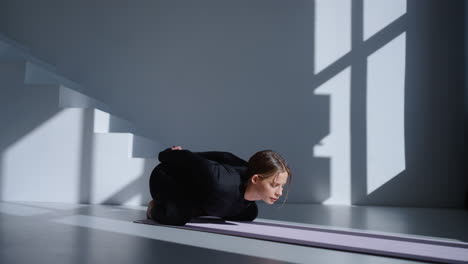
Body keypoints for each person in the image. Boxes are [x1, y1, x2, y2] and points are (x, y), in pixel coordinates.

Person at [146, 146, 291, 226]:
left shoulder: (245, 172)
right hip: (167, 178)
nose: (279, 192)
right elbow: (192, 160)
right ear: (255, 179)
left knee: (249, 214)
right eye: (274, 185)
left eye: (282, 186)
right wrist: (169, 153)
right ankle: (154, 208)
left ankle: (201, 206)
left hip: (206, 192)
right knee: (177, 217)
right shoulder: (220, 182)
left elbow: (224, 156)